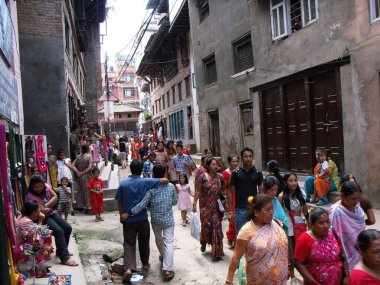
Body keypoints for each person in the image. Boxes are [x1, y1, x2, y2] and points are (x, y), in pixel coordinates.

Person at [115, 159, 169, 283]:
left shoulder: (123, 184)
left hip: (128, 219)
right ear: (140, 170)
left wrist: (121, 215)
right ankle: (145, 263)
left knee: (129, 243)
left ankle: (129, 268)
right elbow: (164, 180)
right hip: (142, 218)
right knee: (144, 241)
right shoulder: (145, 182)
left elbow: (119, 201)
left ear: (130, 168)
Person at [125, 164, 177, 281]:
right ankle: (167, 269)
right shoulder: (171, 187)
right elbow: (174, 202)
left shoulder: (151, 189)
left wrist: (129, 212)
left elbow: (142, 204)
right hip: (168, 219)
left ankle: (164, 256)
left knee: (159, 240)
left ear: (153, 175)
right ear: (164, 173)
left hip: (156, 220)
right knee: (168, 241)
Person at [225, 195, 288, 285]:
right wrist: (229, 281)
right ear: (256, 212)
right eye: (267, 210)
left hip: (280, 280)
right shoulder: (246, 231)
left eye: (272, 209)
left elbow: (283, 248)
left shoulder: (276, 224)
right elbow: (236, 257)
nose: (272, 212)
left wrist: (287, 266)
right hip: (257, 280)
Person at [25, 175, 78, 266]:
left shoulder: (46, 186)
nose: (38, 189)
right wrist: (48, 205)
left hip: (51, 213)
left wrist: (46, 206)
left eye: (40, 186)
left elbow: (56, 197)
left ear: (43, 184)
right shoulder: (30, 196)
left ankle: (61, 251)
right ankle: (65, 258)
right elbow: (42, 211)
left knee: (67, 228)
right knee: (58, 231)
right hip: (40, 217)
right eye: (35, 187)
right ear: (31, 186)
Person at [294, 207, 349, 285]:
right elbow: (298, 264)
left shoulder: (333, 233)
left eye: (327, 222)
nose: (326, 226)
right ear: (311, 224)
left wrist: (346, 276)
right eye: (321, 223)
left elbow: (342, 255)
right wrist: (314, 283)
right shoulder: (305, 239)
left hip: (337, 280)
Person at [329, 179, 366, 271]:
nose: (356, 201)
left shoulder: (357, 208)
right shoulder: (337, 212)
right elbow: (336, 238)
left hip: (359, 251)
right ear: (342, 196)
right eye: (353, 199)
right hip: (346, 254)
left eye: (358, 198)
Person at [192, 157, 225, 259]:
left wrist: (225, 202)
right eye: (213, 164)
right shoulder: (202, 177)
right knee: (206, 226)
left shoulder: (220, 177)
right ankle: (204, 242)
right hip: (205, 206)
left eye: (216, 164)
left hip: (216, 206)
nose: (215, 166)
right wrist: (194, 203)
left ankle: (217, 251)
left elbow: (223, 191)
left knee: (216, 227)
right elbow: (197, 191)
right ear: (208, 166)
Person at [279, 172, 308, 285]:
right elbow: (280, 213)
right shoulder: (281, 196)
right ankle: (293, 276)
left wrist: (309, 222)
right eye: (291, 181)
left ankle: (304, 275)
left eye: (295, 180)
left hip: (300, 227)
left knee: (301, 253)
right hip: (288, 228)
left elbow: (304, 210)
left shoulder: (302, 194)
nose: (294, 183)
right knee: (290, 254)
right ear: (285, 182)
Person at [229, 147, 264, 236]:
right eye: (246, 156)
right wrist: (230, 211)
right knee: (241, 235)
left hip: (254, 209)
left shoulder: (257, 172)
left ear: (252, 158)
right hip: (240, 209)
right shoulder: (235, 173)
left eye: (250, 156)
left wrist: (261, 208)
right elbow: (231, 192)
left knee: (255, 235)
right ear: (241, 158)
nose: (248, 159)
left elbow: (261, 191)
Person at [15, 201, 53, 277]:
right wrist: (41, 220)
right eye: (39, 210)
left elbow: (32, 233)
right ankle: (40, 271)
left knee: (38, 242)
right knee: (38, 244)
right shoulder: (27, 221)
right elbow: (35, 236)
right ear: (34, 212)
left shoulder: (21, 217)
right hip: (18, 248)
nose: (40, 212)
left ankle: (40, 267)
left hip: (18, 245)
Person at [222, 153, 239, 247]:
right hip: (230, 197)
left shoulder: (240, 171)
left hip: (239, 197)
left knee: (239, 218)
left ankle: (236, 238)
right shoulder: (225, 173)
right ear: (229, 163)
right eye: (233, 161)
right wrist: (225, 201)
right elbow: (224, 188)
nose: (235, 163)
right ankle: (230, 236)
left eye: (237, 161)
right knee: (231, 218)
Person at [72, 144, 93, 214]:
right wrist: (83, 172)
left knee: (81, 192)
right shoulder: (89, 156)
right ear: (87, 149)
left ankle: (83, 207)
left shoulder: (78, 157)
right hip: (87, 176)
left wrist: (78, 172)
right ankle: (88, 207)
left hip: (80, 177)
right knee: (88, 192)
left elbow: (72, 165)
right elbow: (90, 167)